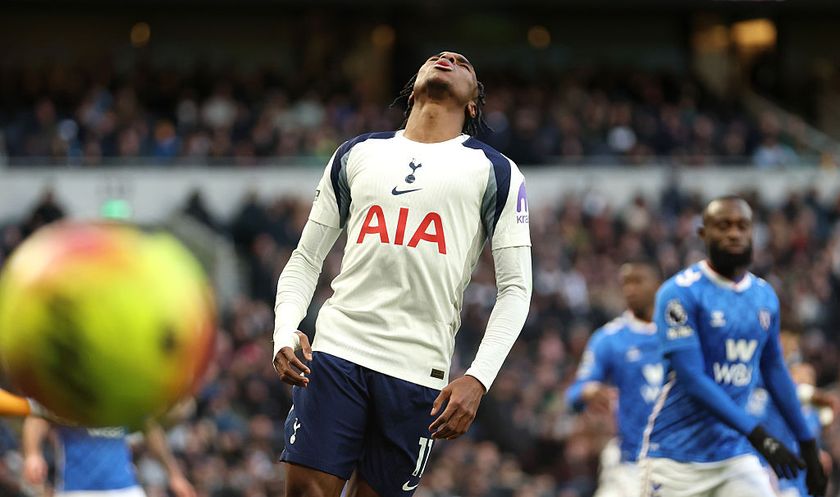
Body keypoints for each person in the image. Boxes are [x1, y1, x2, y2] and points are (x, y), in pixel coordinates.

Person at [271, 51, 532, 497]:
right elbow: (306, 257)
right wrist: (283, 331)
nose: (449, 58)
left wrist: (478, 377)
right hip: (337, 350)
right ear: (412, 89)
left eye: (464, 64)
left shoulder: (497, 172)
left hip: (417, 369)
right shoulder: (358, 152)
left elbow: (516, 288)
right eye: (438, 58)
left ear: (473, 106)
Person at [640, 196, 827, 497]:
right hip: (674, 458)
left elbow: (775, 371)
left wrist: (808, 446)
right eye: (723, 225)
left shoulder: (764, 297)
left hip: (734, 456)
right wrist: (759, 435)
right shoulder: (678, 294)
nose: (733, 233)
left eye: (742, 226)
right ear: (703, 234)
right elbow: (692, 379)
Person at [566, 259, 663, 497]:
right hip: (630, 462)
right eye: (625, 283)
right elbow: (574, 394)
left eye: (638, 281)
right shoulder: (609, 338)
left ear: (659, 285)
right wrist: (588, 392)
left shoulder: (681, 334)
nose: (630, 289)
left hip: (682, 459)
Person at [22, 416, 195, 497]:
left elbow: (150, 428)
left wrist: (175, 475)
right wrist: (32, 454)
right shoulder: (69, 390)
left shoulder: (120, 392)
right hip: (76, 489)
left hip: (124, 489)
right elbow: (38, 417)